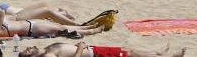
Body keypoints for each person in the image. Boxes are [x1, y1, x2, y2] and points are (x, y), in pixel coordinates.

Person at [0, 8, 103, 38]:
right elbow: (1, 11)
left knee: (60, 26)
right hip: (32, 29)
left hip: (31, 24)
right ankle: (91, 30)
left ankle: (87, 27)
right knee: (61, 29)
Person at [19, 42, 186, 57]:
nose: (29, 47)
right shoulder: (48, 55)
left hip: (94, 50)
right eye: (27, 51)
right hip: (95, 54)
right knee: (128, 54)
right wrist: (80, 49)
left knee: (128, 50)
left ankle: (157, 53)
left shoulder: (48, 49)